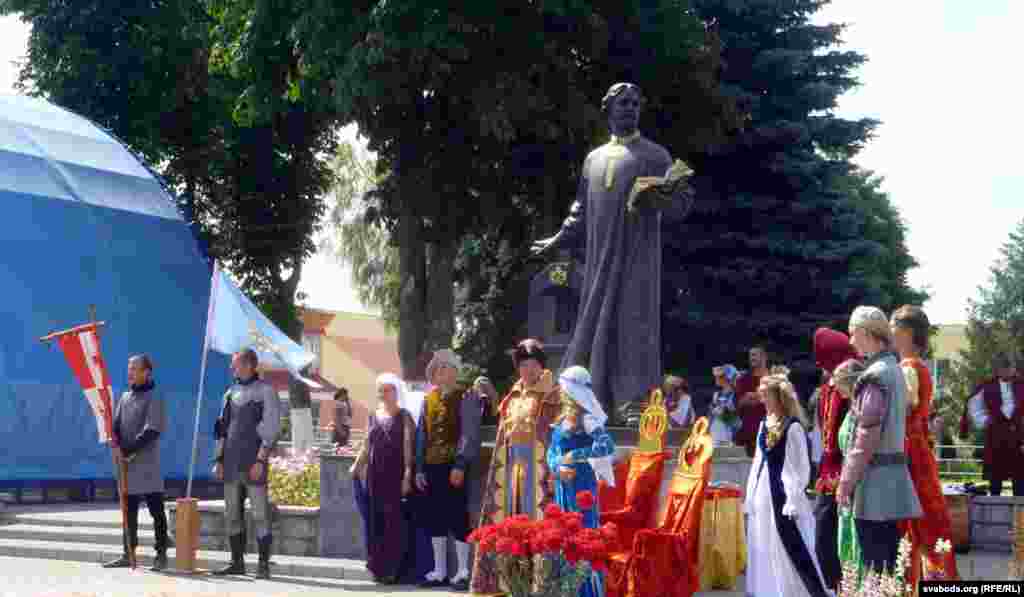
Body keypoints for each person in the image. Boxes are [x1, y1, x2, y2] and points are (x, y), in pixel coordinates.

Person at [531, 83, 694, 413]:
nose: (630, 108)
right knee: (593, 321)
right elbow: (579, 209)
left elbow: (681, 204)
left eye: (635, 103)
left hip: (637, 258)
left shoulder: (654, 155)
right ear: (608, 109)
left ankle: (633, 402)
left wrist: (663, 198)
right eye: (623, 103)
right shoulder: (594, 159)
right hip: (599, 260)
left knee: (634, 323)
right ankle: (586, 400)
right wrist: (558, 238)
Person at [471, 339, 563, 595]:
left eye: (533, 364)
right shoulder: (512, 395)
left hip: (539, 469)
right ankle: (510, 583)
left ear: (541, 366)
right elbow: (504, 433)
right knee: (510, 521)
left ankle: (539, 586)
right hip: (511, 468)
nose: (528, 370)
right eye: (524, 364)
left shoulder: (553, 395)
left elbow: (557, 434)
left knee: (537, 524)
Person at [837, 306, 921, 576]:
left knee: (877, 566)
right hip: (892, 480)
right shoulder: (894, 369)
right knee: (889, 564)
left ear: (865, 332)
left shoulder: (875, 374)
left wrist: (846, 482)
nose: (850, 341)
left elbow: (864, 437)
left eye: (853, 334)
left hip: (873, 486)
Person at [744, 366, 829, 597]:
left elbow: (800, 468)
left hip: (784, 495)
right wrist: (750, 494)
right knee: (764, 540)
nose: (762, 400)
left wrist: (793, 498)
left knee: (790, 544)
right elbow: (758, 463)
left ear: (779, 397)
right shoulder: (764, 424)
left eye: (766, 395)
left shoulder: (793, 428)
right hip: (764, 493)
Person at [891, 305, 959, 584]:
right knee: (927, 524)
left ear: (906, 333)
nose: (891, 335)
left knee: (918, 525)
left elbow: (901, 412)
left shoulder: (908, 368)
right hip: (918, 448)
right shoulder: (917, 367)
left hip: (911, 453)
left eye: (894, 329)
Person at [212, 349, 283, 579]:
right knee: (232, 514)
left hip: (254, 462)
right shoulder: (229, 393)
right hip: (231, 463)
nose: (232, 368)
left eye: (236, 364)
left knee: (260, 514)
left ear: (249, 365)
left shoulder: (266, 392)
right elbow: (221, 430)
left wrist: (261, 460)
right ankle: (237, 562)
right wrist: (219, 460)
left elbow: (271, 429)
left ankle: (263, 565)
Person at [415, 349, 483, 591]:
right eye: (439, 369)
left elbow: (469, 433)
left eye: (447, 368)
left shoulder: (466, 396)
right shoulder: (428, 399)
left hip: (455, 466)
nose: (443, 373)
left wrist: (461, 464)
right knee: (435, 517)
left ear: (455, 372)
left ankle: (463, 571)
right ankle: (439, 570)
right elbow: (422, 435)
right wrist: (419, 468)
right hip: (432, 466)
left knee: (458, 516)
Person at [548, 366, 616, 597]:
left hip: (582, 487)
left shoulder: (588, 418)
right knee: (565, 540)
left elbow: (607, 446)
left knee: (584, 538)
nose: (559, 390)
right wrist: (557, 465)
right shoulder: (561, 419)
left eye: (562, 386)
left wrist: (574, 457)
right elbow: (551, 451)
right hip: (562, 487)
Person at [102, 354, 170, 571]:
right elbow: (116, 426)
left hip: (147, 464)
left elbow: (152, 430)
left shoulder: (155, 396)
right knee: (128, 511)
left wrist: (129, 450)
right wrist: (116, 443)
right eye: (129, 368)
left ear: (146, 372)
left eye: (134, 368)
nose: (129, 372)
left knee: (156, 511)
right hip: (127, 466)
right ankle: (127, 552)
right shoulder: (124, 397)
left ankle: (161, 554)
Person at [350, 373, 416, 584]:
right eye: (381, 390)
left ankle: (393, 569)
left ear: (396, 392)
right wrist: (356, 465)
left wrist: (407, 474)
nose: (384, 394)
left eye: (388, 390)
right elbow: (366, 445)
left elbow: (408, 446)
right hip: (375, 477)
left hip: (395, 476)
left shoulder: (404, 416)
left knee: (393, 523)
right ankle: (378, 567)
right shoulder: (373, 416)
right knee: (375, 522)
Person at [809, 327, 858, 591]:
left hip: (846, 474)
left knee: (842, 541)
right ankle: (836, 587)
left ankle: (846, 588)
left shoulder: (850, 386)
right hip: (826, 476)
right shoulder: (824, 390)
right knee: (823, 541)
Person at [960, 353, 1024, 496]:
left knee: (1020, 481)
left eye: (1009, 368)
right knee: (995, 480)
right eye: (1003, 368)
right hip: (996, 436)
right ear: (998, 369)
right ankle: (995, 514)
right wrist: (985, 420)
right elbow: (974, 406)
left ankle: (1020, 515)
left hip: (1018, 437)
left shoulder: (1022, 385)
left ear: (1014, 369)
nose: (1007, 371)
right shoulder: (988, 386)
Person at [833, 358, 867, 582]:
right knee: (848, 540)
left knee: (859, 541)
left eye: (838, 381)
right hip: (849, 478)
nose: (835, 386)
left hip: (859, 482)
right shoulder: (852, 408)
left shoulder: (861, 409)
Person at [735, 346, 771, 457]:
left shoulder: (774, 378)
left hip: (771, 430)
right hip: (749, 432)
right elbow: (738, 403)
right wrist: (748, 399)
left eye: (755, 355)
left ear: (764, 357)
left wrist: (757, 397)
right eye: (750, 355)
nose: (752, 358)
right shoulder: (743, 379)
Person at [709, 365, 740, 446]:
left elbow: (736, 419)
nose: (717, 379)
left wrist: (723, 412)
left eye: (720, 376)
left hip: (729, 433)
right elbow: (711, 415)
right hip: (716, 431)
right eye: (716, 376)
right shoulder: (716, 395)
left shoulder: (736, 395)